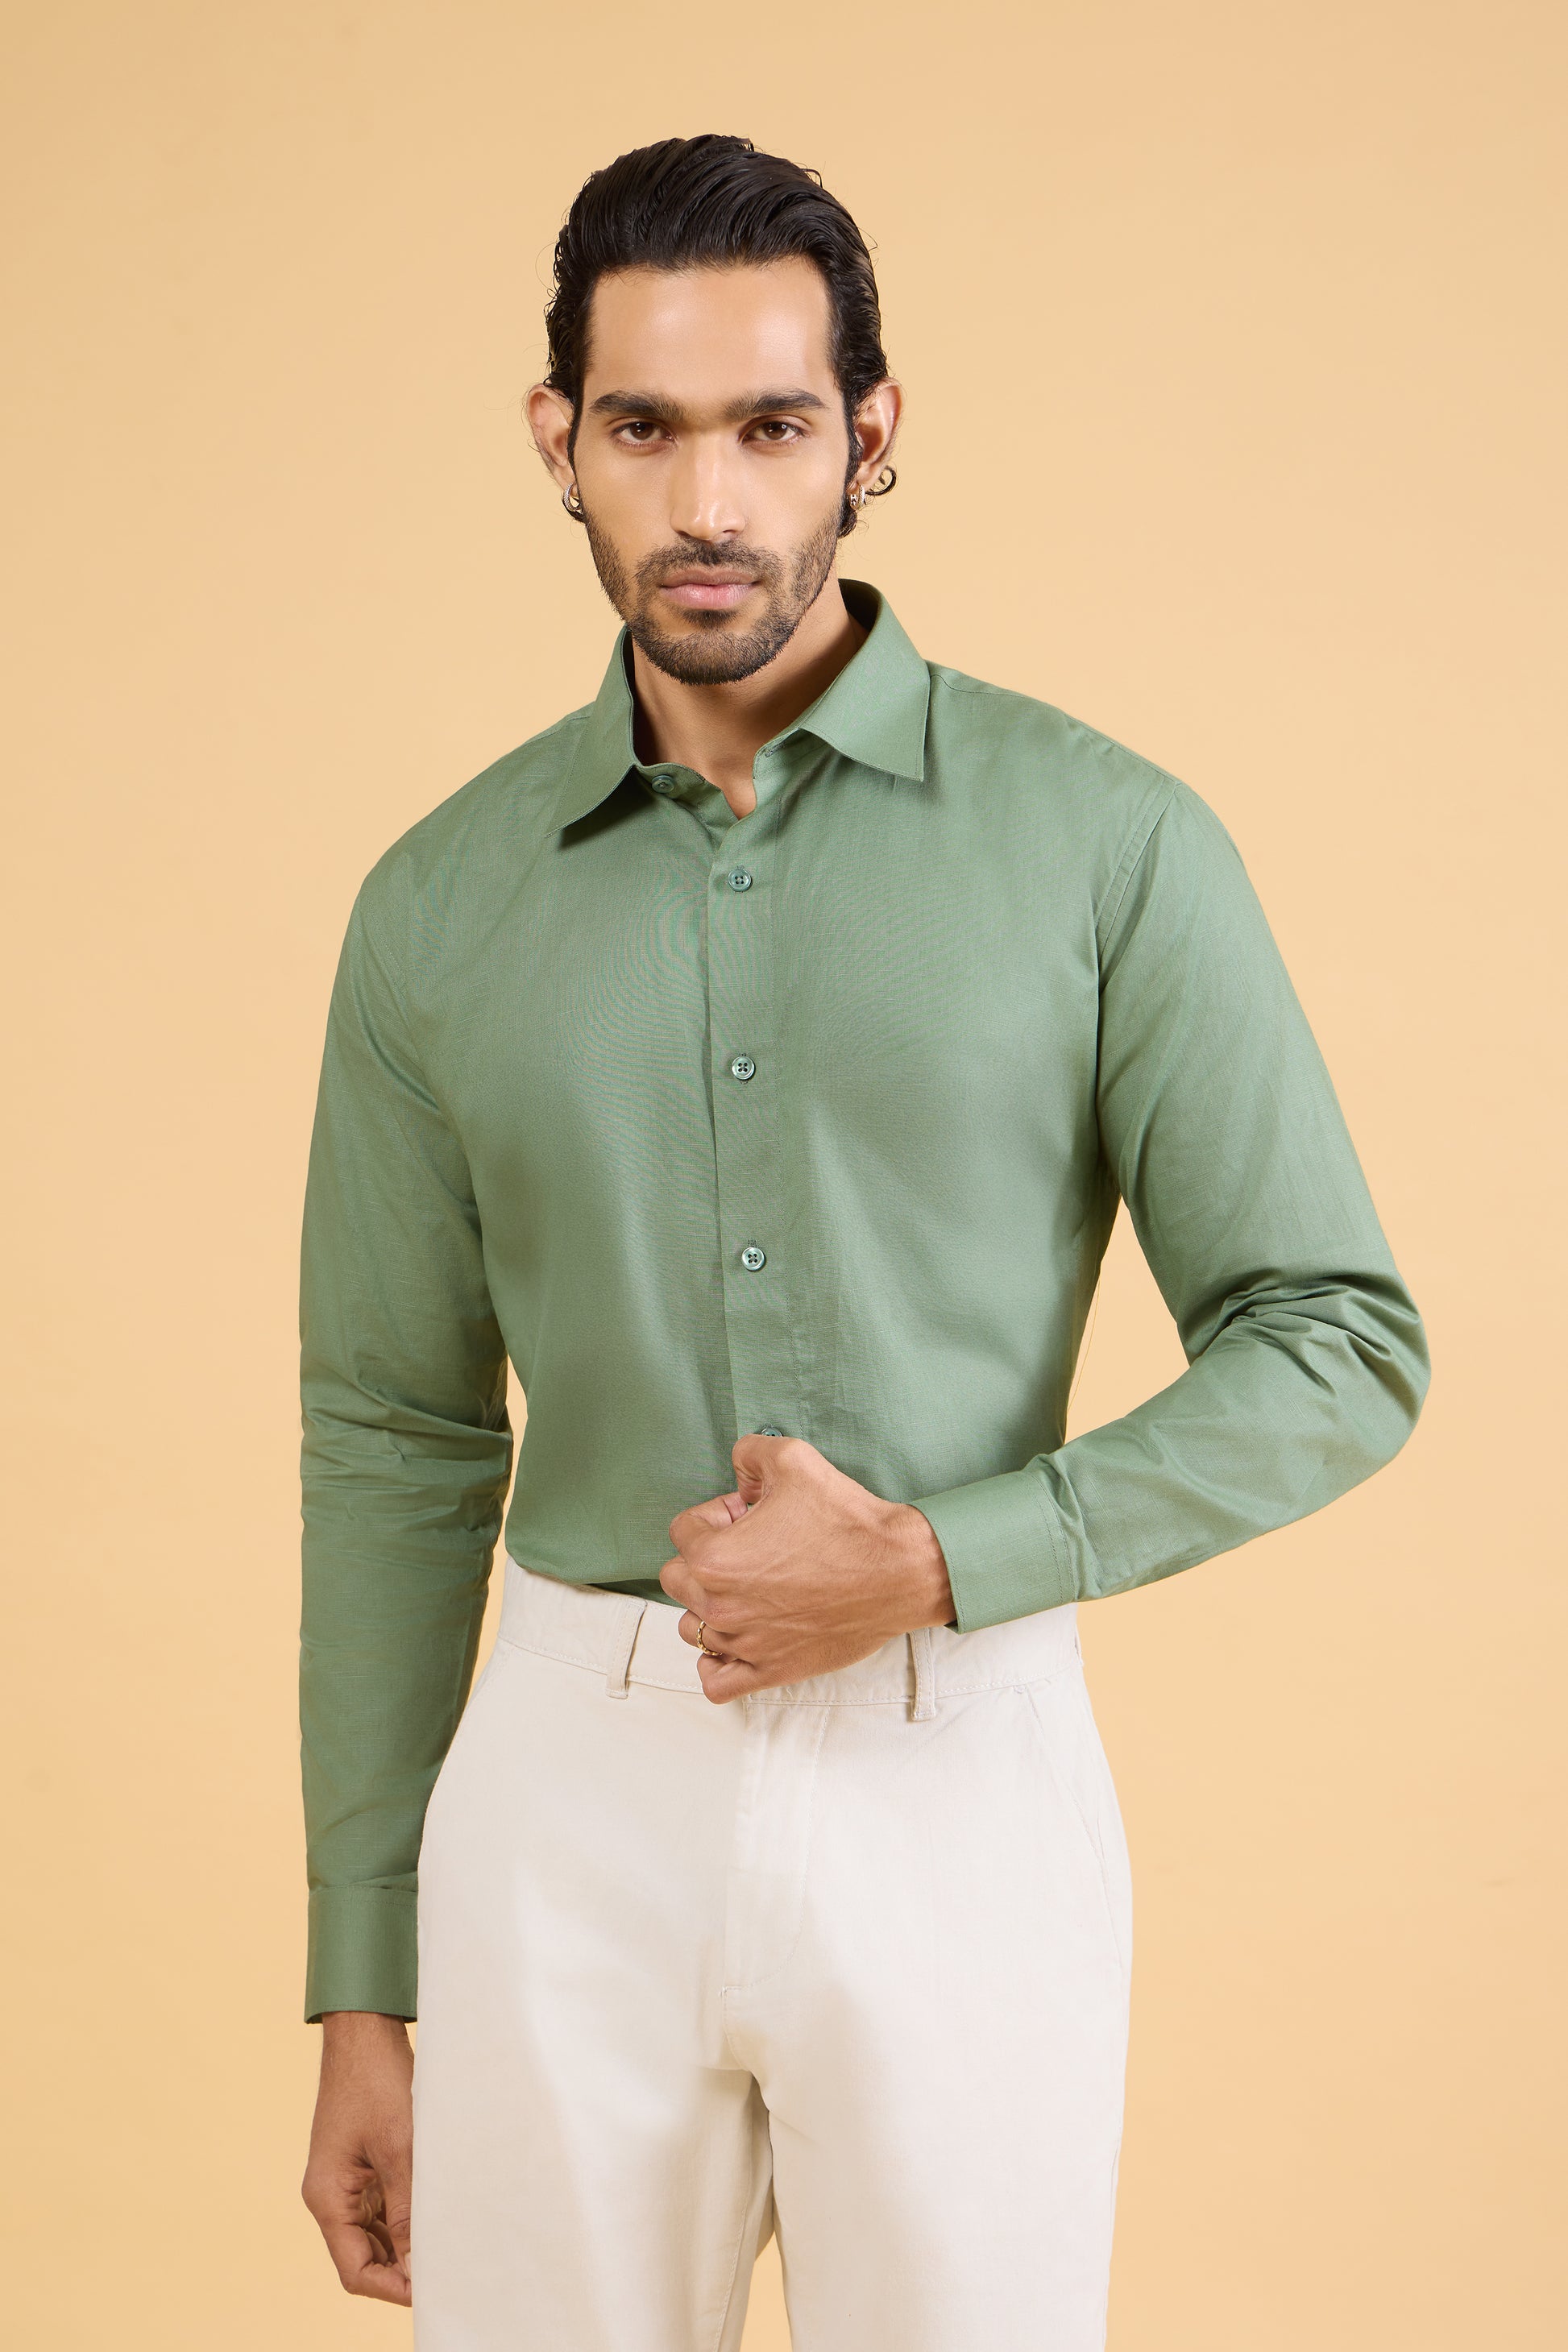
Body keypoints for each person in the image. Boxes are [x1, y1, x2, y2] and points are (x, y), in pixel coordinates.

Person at [297, 134, 1428, 2351]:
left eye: (771, 427)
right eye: (644, 429)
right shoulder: (436, 904)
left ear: (870, 436)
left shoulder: (1108, 845)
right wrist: (365, 1977)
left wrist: (931, 1561)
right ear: (557, 440)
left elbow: (1336, 1338)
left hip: (957, 1773)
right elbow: (396, 1434)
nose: (706, 500)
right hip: (564, 1795)